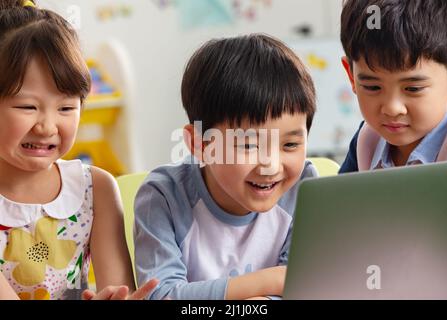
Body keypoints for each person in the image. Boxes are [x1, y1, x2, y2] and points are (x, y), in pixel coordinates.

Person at [134, 34, 317, 300]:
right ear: (199, 144)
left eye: (289, 145)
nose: (271, 166)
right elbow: (161, 296)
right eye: (248, 146)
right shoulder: (163, 197)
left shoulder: (305, 188)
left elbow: (307, 287)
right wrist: (272, 279)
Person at [0, 0, 157, 300]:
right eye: (27, 107)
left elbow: (118, 287)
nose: (47, 126)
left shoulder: (94, 188)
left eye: (66, 107)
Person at [339, 0, 447, 173]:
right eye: (372, 87)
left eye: (413, 89)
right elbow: (340, 200)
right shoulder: (367, 142)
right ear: (351, 77)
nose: (392, 109)